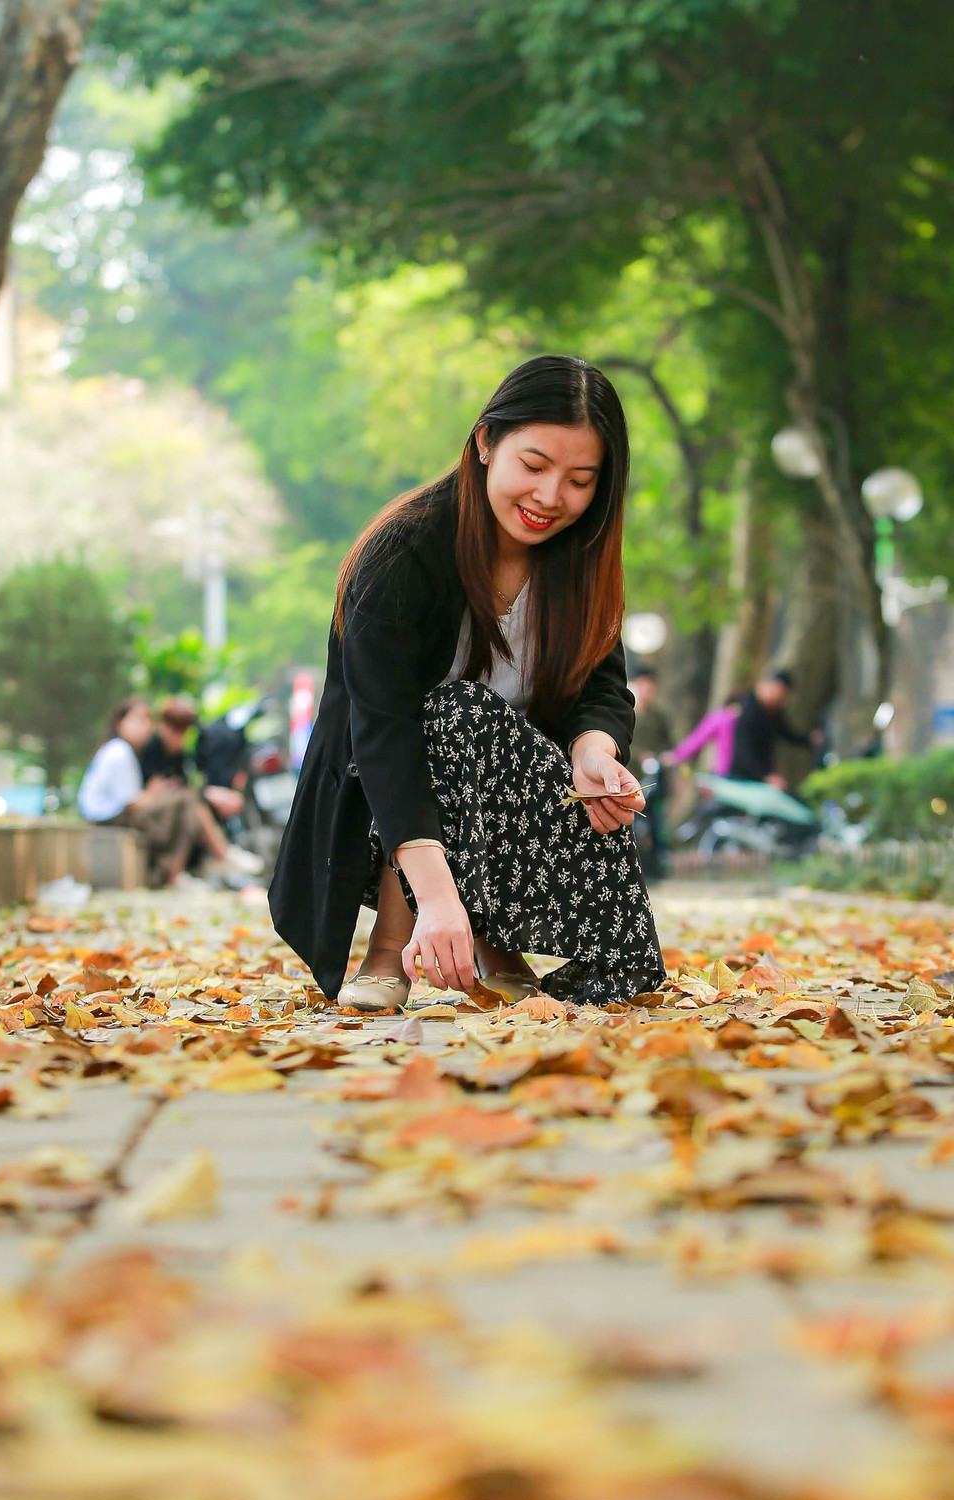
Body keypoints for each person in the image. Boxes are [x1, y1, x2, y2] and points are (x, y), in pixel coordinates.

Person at [268, 354, 665, 1011]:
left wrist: (595, 753)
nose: (549, 497)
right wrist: (439, 898)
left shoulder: (579, 566)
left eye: (580, 480)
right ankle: (391, 946)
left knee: (624, 970)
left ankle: (493, 938)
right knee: (455, 712)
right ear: (485, 442)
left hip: (505, 816)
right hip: (383, 807)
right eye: (534, 466)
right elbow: (384, 733)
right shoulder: (401, 555)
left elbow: (602, 687)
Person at [78, 697, 258, 886]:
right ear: (120, 722)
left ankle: (185, 872)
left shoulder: (135, 751)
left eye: (148, 720)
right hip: (108, 818)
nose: (146, 726)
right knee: (186, 803)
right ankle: (222, 856)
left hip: (126, 814)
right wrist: (157, 793)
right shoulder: (120, 751)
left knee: (187, 807)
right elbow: (132, 802)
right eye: (139, 720)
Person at [139, 696, 250, 840]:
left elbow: (186, 784)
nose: (180, 738)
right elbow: (155, 791)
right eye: (176, 730)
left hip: (179, 806)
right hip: (158, 812)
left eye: (184, 731)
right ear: (164, 726)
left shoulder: (181, 753)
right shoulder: (152, 750)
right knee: (196, 808)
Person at [729, 670, 819, 788]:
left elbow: (786, 732)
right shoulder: (749, 711)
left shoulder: (772, 711)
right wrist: (765, 776)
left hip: (763, 774)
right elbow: (744, 750)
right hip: (744, 776)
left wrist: (808, 740)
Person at [626, 666, 673, 881]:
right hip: (629, 776)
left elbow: (668, 744)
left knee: (655, 822)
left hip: (654, 779)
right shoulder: (626, 711)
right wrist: (639, 756)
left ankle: (655, 867)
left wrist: (664, 757)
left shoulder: (659, 716)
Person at [664, 695, 742, 777]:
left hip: (725, 772)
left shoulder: (722, 718)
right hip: (740, 773)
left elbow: (698, 738)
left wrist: (677, 755)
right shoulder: (729, 719)